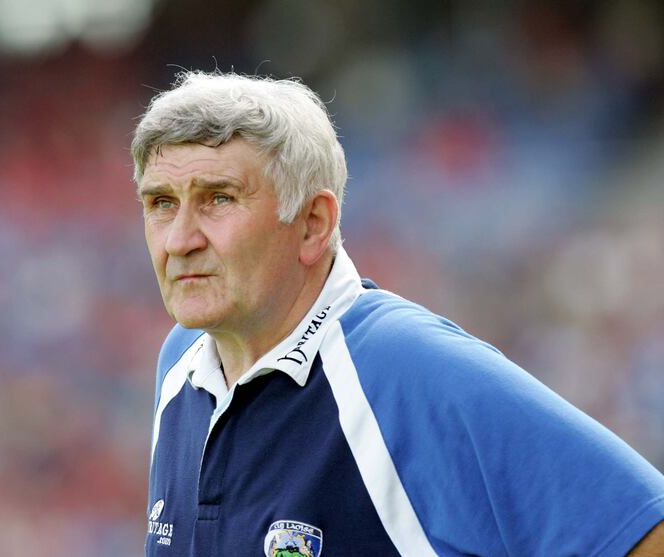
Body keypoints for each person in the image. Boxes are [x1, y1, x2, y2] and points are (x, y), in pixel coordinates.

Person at [131, 71, 664, 556]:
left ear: (313, 223)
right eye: (161, 203)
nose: (179, 240)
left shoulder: (407, 366)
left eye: (219, 198)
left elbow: (640, 530)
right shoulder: (182, 360)